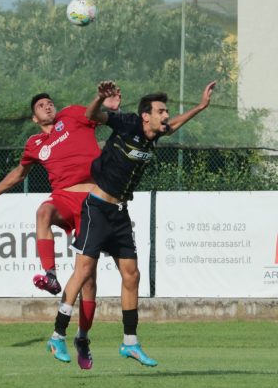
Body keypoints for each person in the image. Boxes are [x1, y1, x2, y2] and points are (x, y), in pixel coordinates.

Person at [46, 80, 216, 368]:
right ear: (145, 115)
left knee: (132, 275)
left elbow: (174, 126)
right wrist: (99, 98)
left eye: (167, 111)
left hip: (120, 213)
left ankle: (130, 343)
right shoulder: (127, 123)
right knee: (84, 270)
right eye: (162, 111)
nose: (166, 115)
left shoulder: (153, 135)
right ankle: (57, 335)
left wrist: (200, 107)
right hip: (97, 208)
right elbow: (91, 116)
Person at [0, 93, 120, 370]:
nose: (48, 106)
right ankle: (51, 275)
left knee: (88, 279)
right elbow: (19, 174)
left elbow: (96, 113)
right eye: (41, 106)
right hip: (64, 198)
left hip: (93, 201)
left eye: (49, 102)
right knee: (43, 211)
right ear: (34, 118)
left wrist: (108, 104)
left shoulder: (72, 115)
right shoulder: (35, 144)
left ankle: (83, 338)